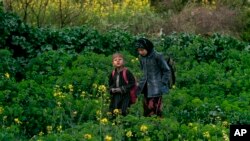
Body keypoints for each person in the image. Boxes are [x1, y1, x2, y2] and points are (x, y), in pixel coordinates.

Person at [134, 37, 170, 117]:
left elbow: (166, 70)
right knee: (146, 107)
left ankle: (157, 124)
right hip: (145, 86)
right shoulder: (141, 58)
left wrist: (163, 82)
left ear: (148, 48)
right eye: (139, 50)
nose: (140, 52)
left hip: (156, 86)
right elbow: (142, 70)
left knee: (155, 107)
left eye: (142, 50)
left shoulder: (157, 56)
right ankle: (148, 124)